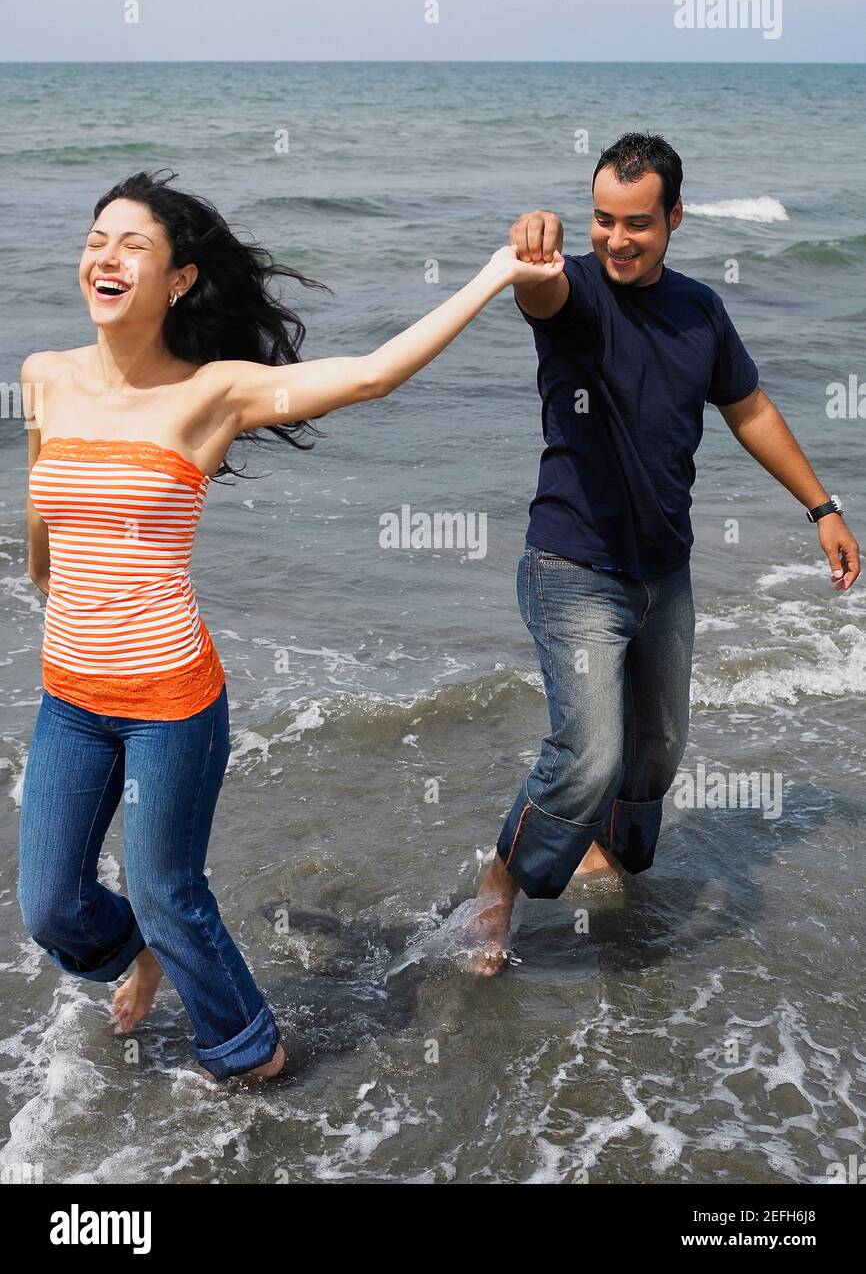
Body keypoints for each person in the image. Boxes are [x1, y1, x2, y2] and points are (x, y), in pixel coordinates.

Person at [18, 168, 562, 1082]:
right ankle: (142, 956)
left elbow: (373, 375)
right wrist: (47, 584)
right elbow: (44, 515)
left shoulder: (214, 393)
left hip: (169, 701)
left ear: (179, 278)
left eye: (132, 245)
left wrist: (497, 271)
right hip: (69, 697)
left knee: (165, 890)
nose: (105, 259)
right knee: (51, 908)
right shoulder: (45, 377)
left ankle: (250, 1048)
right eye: (95, 241)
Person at [468, 131, 861, 976]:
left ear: (675, 217)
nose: (616, 238)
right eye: (602, 219)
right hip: (570, 567)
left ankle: (614, 857)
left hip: (664, 575)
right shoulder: (573, 291)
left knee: (655, 758)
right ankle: (503, 878)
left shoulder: (699, 311)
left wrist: (821, 507)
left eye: (638, 223)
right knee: (590, 756)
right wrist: (533, 241)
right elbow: (536, 291)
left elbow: (748, 408)